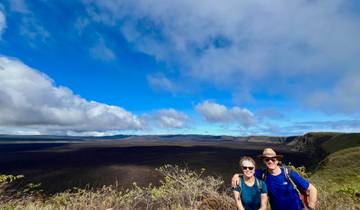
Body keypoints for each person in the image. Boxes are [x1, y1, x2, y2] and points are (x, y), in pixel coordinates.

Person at [232, 148, 317, 210]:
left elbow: (312, 189)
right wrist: (236, 175)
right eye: (267, 159)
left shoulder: (288, 173)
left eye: (273, 159)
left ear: (277, 161)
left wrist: (311, 207)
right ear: (264, 161)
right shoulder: (262, 174)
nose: (270, 161)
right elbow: (249, 172)